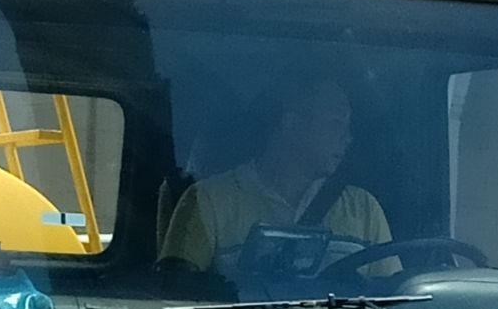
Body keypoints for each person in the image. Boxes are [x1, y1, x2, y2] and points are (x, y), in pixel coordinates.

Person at [161, 77, 391, 277]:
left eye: (347, 126)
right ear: (292, 124)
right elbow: (174, 293)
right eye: (336, 123)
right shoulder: (207, 201)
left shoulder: (364, 209)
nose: (347, 138)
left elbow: (394, 297)